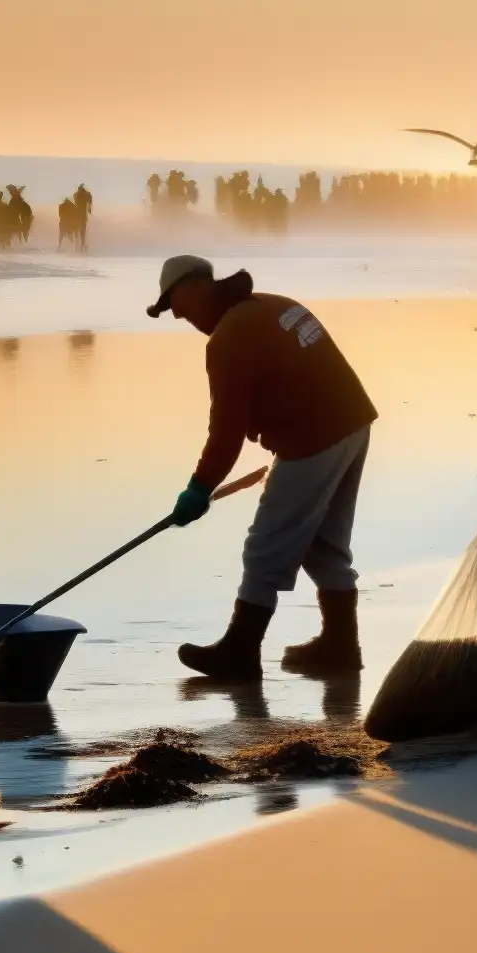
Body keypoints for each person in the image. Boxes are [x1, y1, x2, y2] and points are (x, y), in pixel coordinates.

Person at [150, 255, 378, 680]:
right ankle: (341, 645)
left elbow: (227, 431)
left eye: (175, 305)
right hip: (352, 423)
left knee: (265, 547)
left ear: (192, 288)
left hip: (314, 436)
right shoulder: (274, 305)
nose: (179, 315)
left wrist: (199, 487)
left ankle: (239, 651)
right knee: (322, 542)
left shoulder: (230, 338)